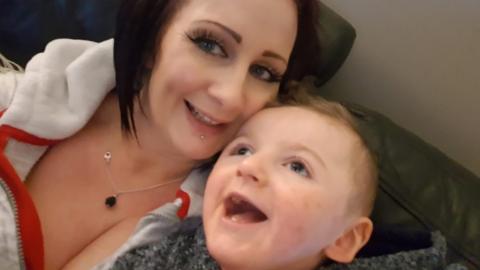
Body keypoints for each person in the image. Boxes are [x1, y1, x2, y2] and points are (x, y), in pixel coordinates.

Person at [0, 0, 323, 269]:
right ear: (153, 39)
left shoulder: (230, 232)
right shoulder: (15, 100)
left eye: (264, 72)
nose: (232, 95)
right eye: (210, 45)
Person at [111, 93, 379, 270]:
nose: (248, 166)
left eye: (297, 167)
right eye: (242, 150)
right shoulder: (160, 253)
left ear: (344, 238)